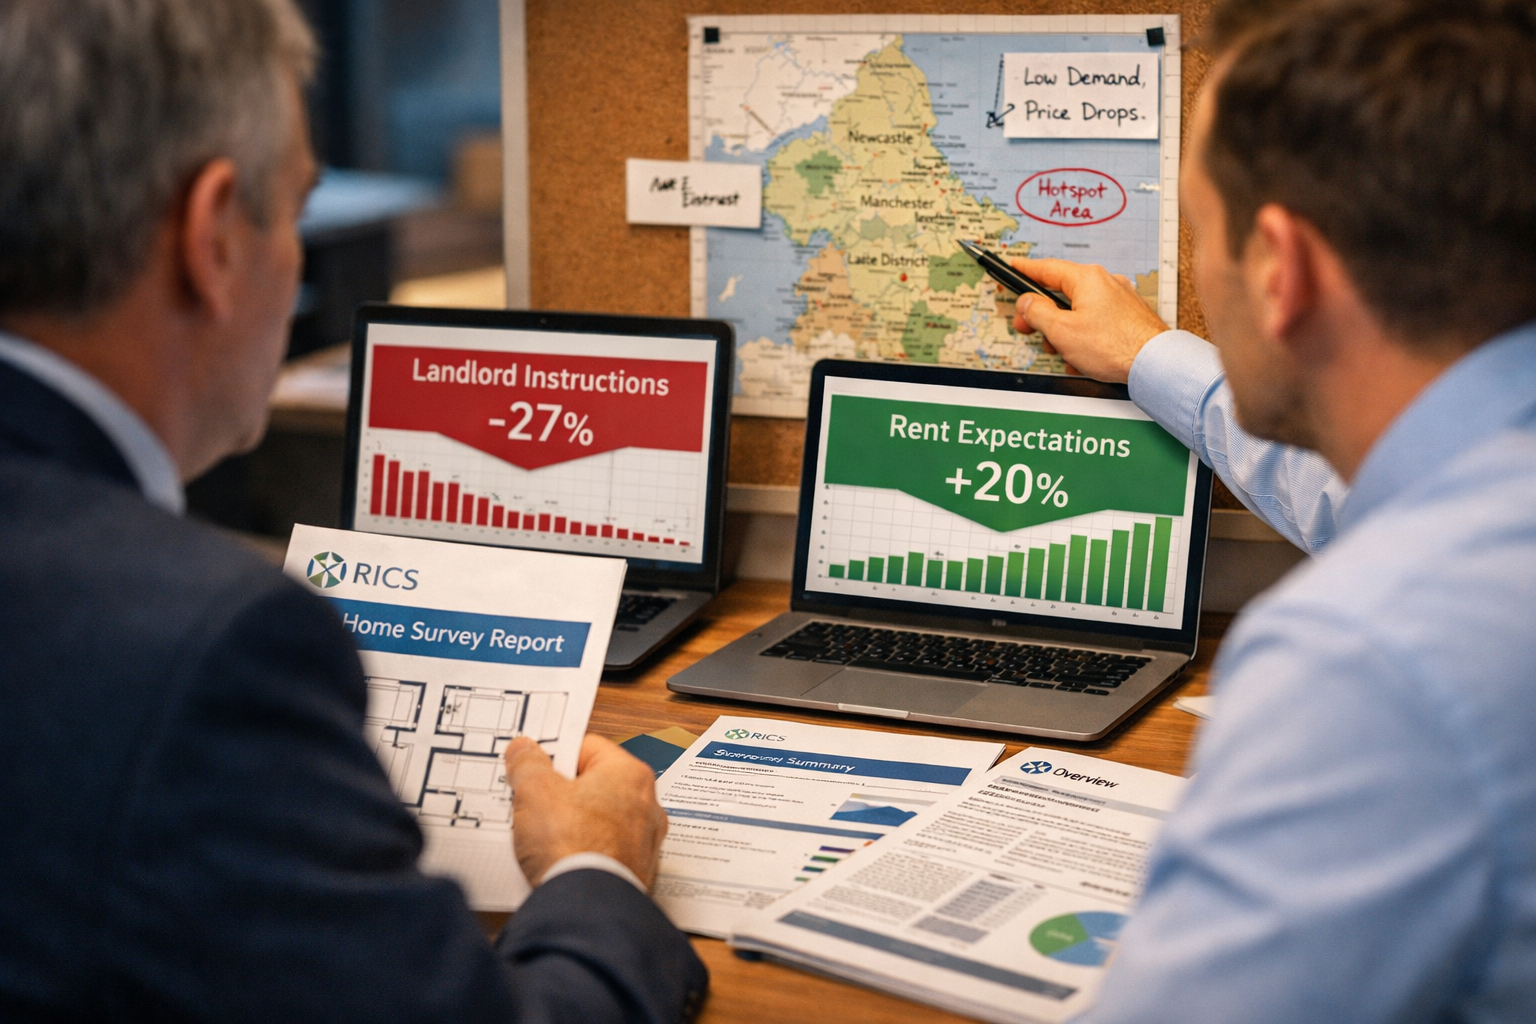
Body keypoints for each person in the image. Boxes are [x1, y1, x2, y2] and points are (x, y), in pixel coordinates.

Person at [0, 1, 705, 1019]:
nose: (296, 254)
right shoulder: (204, 643)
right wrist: (596, 875)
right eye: (293, 212)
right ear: (213, 239)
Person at [1007, 1, 1536, 1020]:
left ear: (1278, 270)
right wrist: (1148, 356)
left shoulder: (1372, 654)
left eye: (1206, 231)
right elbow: (1360, 502)